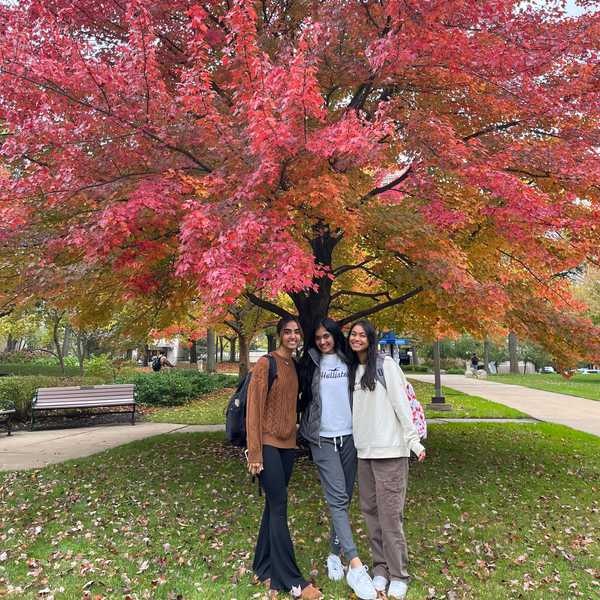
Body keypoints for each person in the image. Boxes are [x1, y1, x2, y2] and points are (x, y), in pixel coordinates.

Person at [298, 318, 377, 600]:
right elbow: (300, 397)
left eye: (327, 336)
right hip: (322, 439)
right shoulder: (309, 363)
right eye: (318, 337)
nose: (323, 341)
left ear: (335, 335)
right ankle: (354, 564)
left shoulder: (349, 360)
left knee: (342, 497)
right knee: (337, 498)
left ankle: (334, 553)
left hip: (350, 438)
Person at [348, 319, 426, 600]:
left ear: (371, 338)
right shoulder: (353, 370)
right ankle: (380, 567)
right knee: (371, 514)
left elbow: (402, 405)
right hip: (365, 453)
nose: (356, 338)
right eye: (352, 334)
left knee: (390, 517)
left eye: (361, 334)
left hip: (391, 453)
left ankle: (399, 574)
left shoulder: (386, 366)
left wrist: (413, 441)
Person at [246, 316, 322, 599]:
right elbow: (253, 408)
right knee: (279, 505)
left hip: (288, 446)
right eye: (287, 332)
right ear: (279, 335)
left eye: (296, 332)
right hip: (266, 444)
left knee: (272, 506)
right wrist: (254, 453)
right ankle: (290, 580)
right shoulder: (267, 363)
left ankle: (263, 566)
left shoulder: (294, 365)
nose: (292, 336)